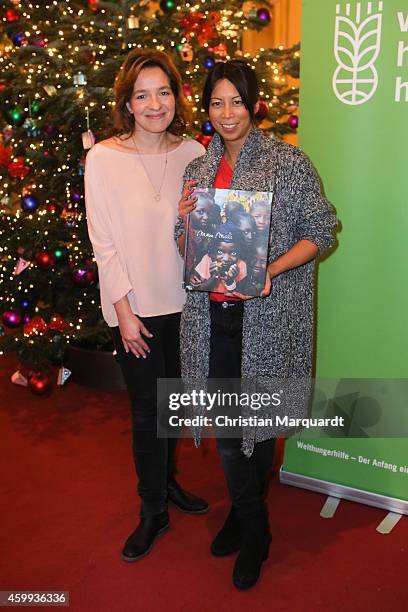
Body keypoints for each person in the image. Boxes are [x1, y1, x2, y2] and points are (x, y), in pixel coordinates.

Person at [176, 60, 337, 590]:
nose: (227, 113)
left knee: (256, 427)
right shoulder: (198, 170)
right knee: (226, 427)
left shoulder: (287, 162)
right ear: (207, 108)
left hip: (266, 317)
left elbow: (322, 230)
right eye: (217, 102)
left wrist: (270, 270)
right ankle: (250, 516)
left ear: (254, 105)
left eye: (237, 102)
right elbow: (189, 249)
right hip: (212, 316)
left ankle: (253, 525)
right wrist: (184, 225)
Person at [84, 49, 208, 563]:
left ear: (175, 97)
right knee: (145, 411)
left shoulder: (196, 153)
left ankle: (169, 481)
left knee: (171, 406)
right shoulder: (104, 158)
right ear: (127, 103)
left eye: (163, 92)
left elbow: (206, 235)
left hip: (186, 303)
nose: (154, 104)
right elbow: (103, 241)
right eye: (142, 95)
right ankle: (151, 508)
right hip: (134, 307)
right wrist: (124, 310)